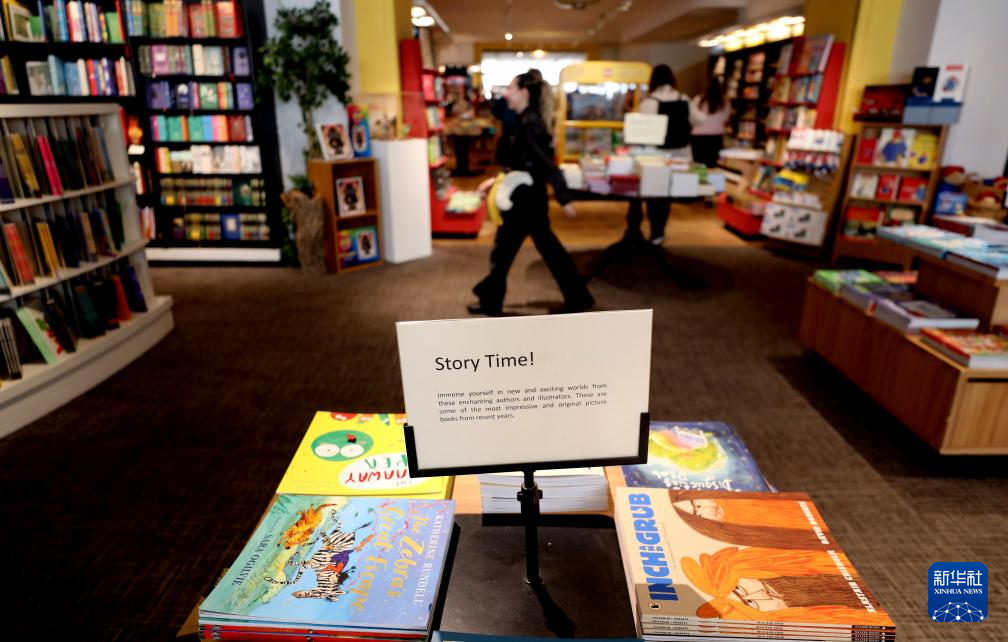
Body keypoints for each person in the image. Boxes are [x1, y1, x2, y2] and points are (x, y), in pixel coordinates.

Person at [469, 72, 594, 316]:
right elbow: (521, 162)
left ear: (524, 92)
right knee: (519, 250)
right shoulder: (521, 120)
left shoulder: (530, 123)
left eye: (511, 88)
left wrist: (563, 197)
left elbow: (546, 163)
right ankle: (578, 297)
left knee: (510, 250)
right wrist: (495, 180)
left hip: (526, 200)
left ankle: (492, 300)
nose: (506, 93)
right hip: (523, 196)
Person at [636, 64, 705, 245]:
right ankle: (659, 232)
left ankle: (655, 232)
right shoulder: (684, 99)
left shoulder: (649, 102)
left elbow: (640, 128)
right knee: (667, 195)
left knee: (654, 194)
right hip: (681, 154)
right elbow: (701, 120)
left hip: (655, 155)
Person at [690, 76, 729, 168]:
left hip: (699, 137)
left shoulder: (698, 100)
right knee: (712, 166)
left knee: (698, 166)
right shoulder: (724, 102)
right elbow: (725, 119)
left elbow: (692, 118)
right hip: (716, 137)